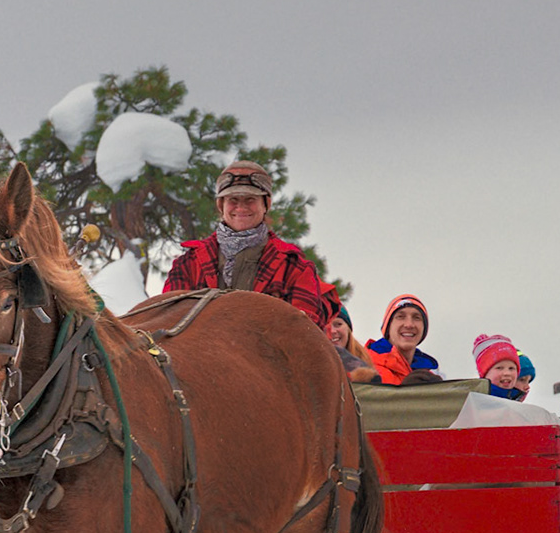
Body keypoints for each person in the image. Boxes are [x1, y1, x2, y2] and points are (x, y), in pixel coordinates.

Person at [159, 160, 332, 326]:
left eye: (250, 199)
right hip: (198, 354)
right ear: (221, 205)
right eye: (233, 200)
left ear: (266, 204)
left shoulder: (295, 267)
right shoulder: (188, 264)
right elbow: (168, 321)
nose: (241, 208)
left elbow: (305, 331)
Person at [366, 294, 442, 385]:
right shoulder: (366, 370)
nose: (409, 324)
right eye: (400, 317)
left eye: (416, 317)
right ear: (388, 326)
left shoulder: (427, 376)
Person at [324, 302, 379, 383]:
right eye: (326, 325)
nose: (332, 331)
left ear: (348, 329)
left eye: (338, 324)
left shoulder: (369, 363)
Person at [473, 334, 524, 400]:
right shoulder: (475, 402)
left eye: (511, 368)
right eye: (499, 368)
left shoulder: (516, 403)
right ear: (485, 373)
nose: (507, 373)